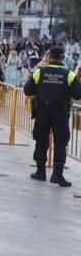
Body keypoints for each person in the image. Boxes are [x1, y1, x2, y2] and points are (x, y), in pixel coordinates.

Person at [24, 46, 81, 187]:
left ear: (49, 57)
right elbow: (77, 95)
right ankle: (57, 174)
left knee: (41, 140)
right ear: (62, 57)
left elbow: (27, 90)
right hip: (61, 113)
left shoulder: (39, 72)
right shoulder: (69, 74)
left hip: (42, 111)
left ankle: (40, 172)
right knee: (60, 142)